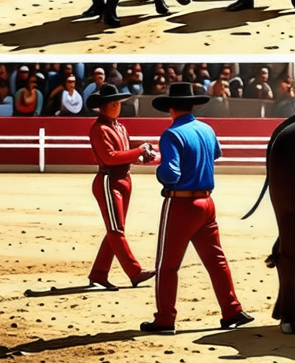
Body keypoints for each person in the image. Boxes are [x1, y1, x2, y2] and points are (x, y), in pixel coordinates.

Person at [140, 82, 254, 334]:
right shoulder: (206, 129)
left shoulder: (171, 134)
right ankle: (232, 310)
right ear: (192, 104)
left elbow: (170, 173)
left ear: (170, 107)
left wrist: (158, 167)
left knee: (167, 265)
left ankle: (165, 319)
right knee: (216, 260)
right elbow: (214, 154)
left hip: (181, 203)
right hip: (207, 203)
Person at [86, 83, 157, 290]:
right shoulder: (99, 128)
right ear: (103, 106)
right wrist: (139, 151)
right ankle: (134, 272)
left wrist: (142, 155)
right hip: (109, 181)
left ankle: (99, 274)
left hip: (123, 179)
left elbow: (123, 155)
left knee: (115, 230)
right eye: (114, 103)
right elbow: (109, 158)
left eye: (118, 103)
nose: (118, 106)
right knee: (116, 230)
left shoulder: (118, 127)